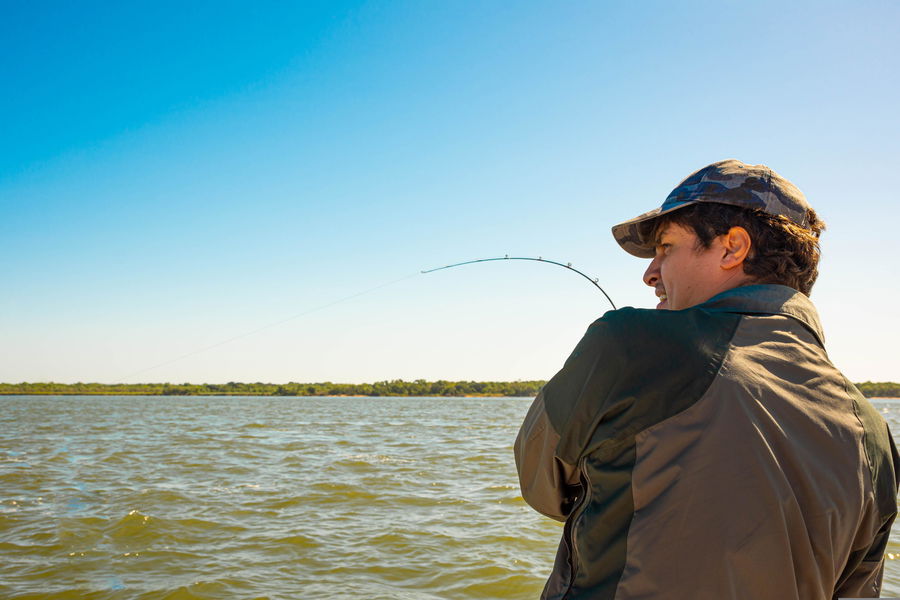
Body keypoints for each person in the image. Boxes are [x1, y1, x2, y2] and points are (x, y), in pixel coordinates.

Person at [514, 159, 899, 599]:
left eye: (666, 247)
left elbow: (544, 489)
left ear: (732, 248)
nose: (650, 273)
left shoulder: (628, 343)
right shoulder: (874, 434)